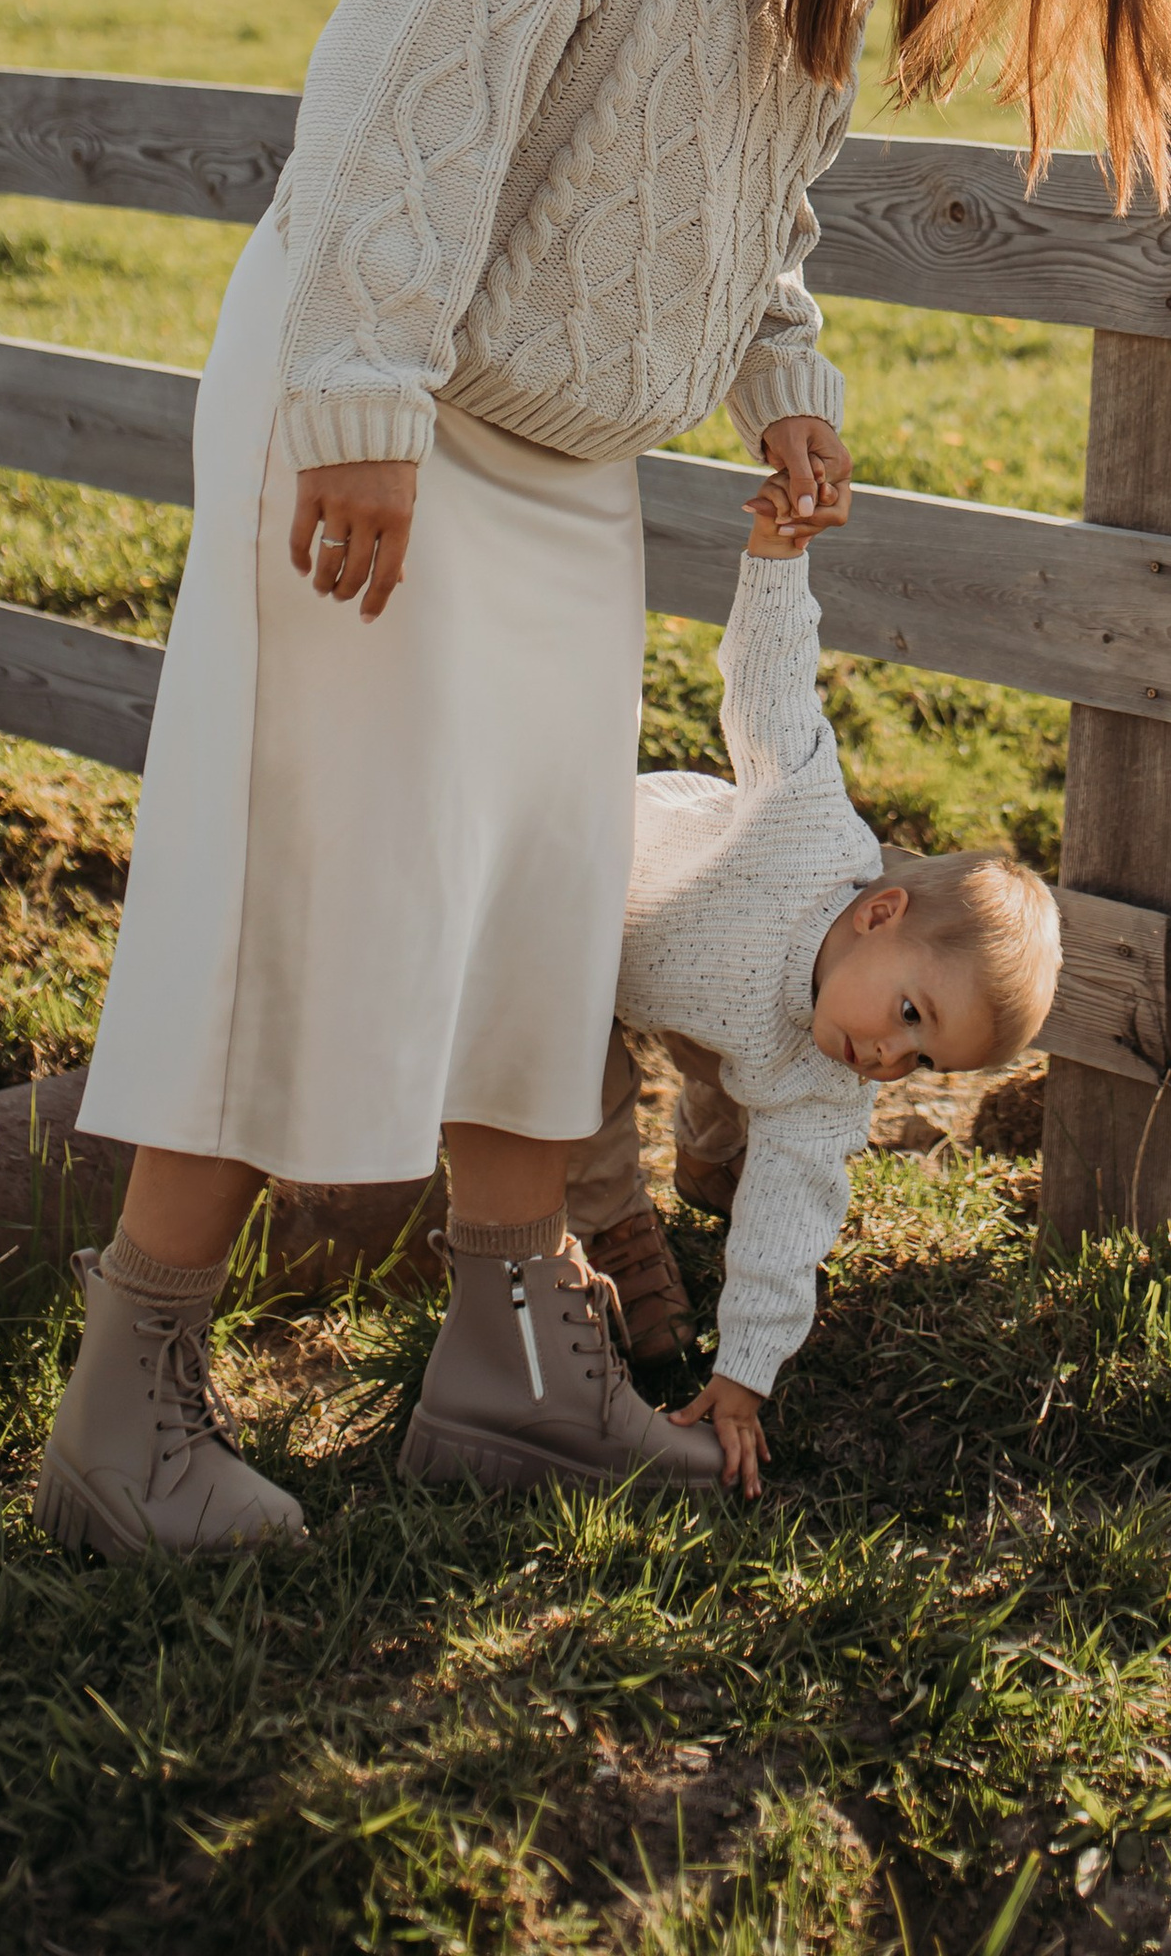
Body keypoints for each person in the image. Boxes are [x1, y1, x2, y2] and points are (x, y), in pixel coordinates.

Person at [33, 0, 1171, 1560]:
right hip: (388, 407)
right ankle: (129, 1407)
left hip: (561, 451)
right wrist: (361, 395)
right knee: (312, 871)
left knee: (537, 911)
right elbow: (405, 88)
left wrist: (781, 367)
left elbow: (757, 183)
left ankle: (506, 1370)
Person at [400, 469, 1060, 1500]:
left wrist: (742, 1378)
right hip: (603, 909)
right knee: (585, 1083)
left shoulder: (831, 1078)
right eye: (909, 1015)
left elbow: (798, 1217)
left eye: (921, 1060)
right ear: (879, 913)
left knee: (749, 1094)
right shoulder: (805, 826)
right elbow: (769, 686)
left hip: (725, 1012)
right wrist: (777, 560)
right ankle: (616, 1225)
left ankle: (713, 1164)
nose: (891, 1058)